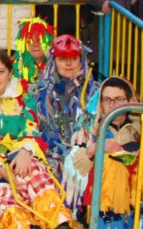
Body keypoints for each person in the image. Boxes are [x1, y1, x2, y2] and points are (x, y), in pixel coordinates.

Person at [0, 50, 75, 229]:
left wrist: (25, 151)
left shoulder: (22, 97)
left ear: (10, 73)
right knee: (4, 194)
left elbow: (31, 128)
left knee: (35, 174)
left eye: (0, 72)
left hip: (19, 158)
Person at [64, 78, 143, 229]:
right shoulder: (88, 127)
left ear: (128, 100)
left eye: (118, 100)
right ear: (101, 102)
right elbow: (73, 166)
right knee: (113, 165)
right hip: (101, 189)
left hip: (135, 188)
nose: (112, 105)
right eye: (107, 100)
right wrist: (92, 152)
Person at [32, 34, 100, 174]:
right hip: (53, 154)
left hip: (90, 152)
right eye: (63, 59)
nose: (68, 64)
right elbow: (42, 132)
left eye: (73, 59)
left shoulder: (96, 92)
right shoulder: (40, 92)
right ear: (54, 61)